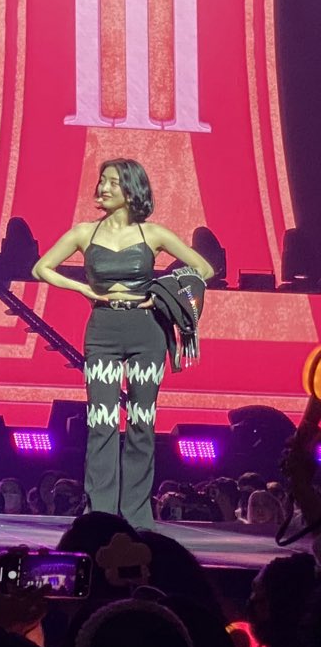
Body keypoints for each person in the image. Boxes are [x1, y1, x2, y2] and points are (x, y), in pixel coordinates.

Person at [33, 158, 215, 526]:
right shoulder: (84, 233)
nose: (103, 187)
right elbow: (41, 268)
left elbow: (205, 269)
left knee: (141, 423)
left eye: (113, 182)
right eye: (102, 180)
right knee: (100, 421)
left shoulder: (154, 234)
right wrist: (83, 288)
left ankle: (136, 515)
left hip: (147, 330)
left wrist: (162, 294)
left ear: (132, 189)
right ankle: (100, 513)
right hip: (103, 329)